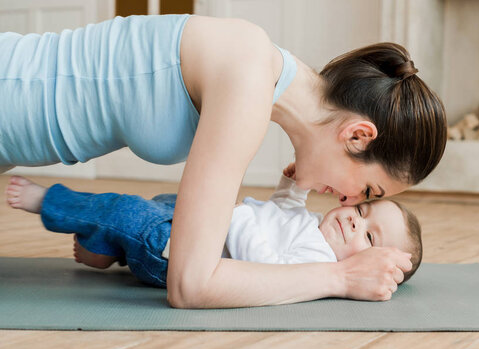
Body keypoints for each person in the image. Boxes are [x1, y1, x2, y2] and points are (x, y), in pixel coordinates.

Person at [0, 14, 446, 308]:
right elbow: (190, 286)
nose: (348, 202)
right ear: (358, 136)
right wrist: (341, 278)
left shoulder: (260, 66)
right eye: (367, 192)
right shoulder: (248, 83)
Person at [5, 168, 422, 295]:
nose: (354, 220)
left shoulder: (315, 261)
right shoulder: (317, 228)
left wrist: (233, 215)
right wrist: (293, 187)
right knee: (160, 200)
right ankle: (107, 251)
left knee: (128, 212)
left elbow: (264, 263)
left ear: (369, 262)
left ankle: (50, 202)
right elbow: (282, 214)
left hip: (184, 250)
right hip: (205, 223)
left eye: (368, 236)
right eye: (363, 210)